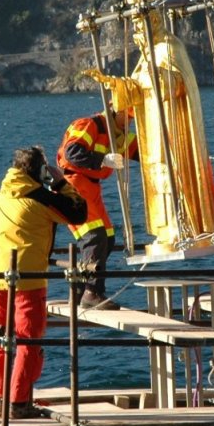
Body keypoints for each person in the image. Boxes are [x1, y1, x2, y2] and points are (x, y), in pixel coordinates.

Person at [84, 0, 214, 254]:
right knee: (158, 177)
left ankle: (186, 227)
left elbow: (176, 85)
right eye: (134, 26)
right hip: (152, 128)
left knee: (175, 176)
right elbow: (135, 90)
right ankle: (167, 229)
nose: (136, 30)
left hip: (173, 125)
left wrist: (156, 75)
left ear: (153, 21)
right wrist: (112, 83)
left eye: (139, 24)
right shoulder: (146, 56)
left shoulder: (169, 48)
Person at [0, 146, 87, 418]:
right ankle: (19, 402)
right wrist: (61, 182)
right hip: (28, 280)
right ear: (40, 171)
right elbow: (78, 213)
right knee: (28, 340)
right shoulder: (40, 197)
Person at [55, 107, 138, 308]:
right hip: (74, 184)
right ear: (115, 111)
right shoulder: (88, 124)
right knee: (94, 236)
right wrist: (103, 160)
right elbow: (72, 152)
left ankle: (80, 289)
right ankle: (92, 293)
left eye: (132, 119)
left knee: (107, 239)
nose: (129, 122)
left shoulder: (118, 133)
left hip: (90, 187)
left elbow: (140, 151)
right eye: (127, 117)